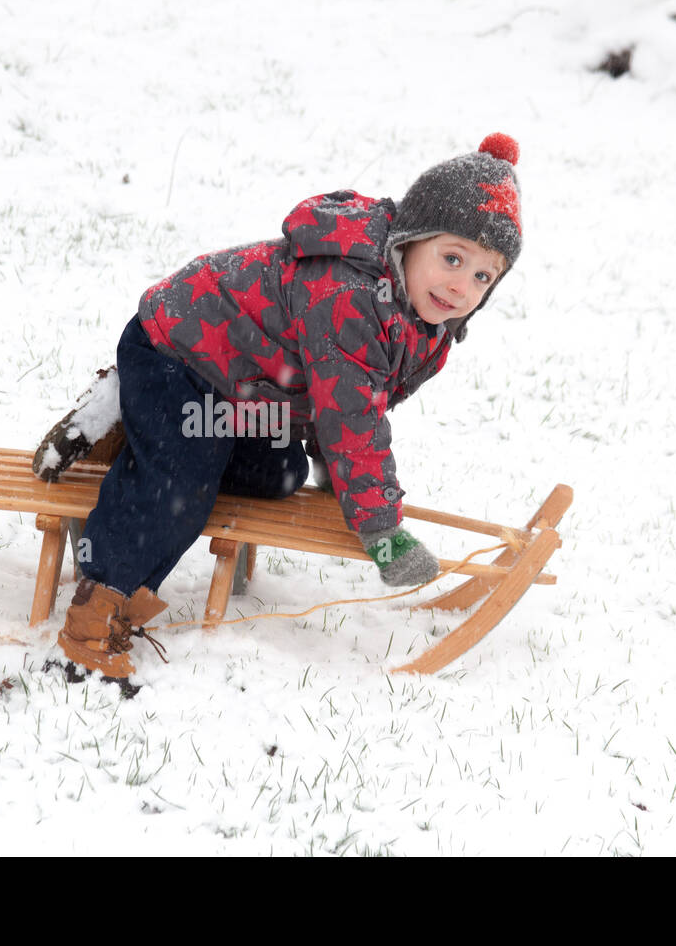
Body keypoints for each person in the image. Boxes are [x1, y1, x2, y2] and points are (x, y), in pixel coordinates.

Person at [39, 133, 524, 680]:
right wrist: (383, 531)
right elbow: (353, 420)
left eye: (483, 275)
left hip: (241, 388)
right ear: (409, 241)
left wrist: (331, 468)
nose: (461, 286)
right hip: (176, 352)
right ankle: (97, 613)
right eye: (452, 258)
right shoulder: (350, 297)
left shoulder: (423, 319)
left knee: (281, 474)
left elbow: (335, 402)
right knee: (179, 486)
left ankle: (140, 426)